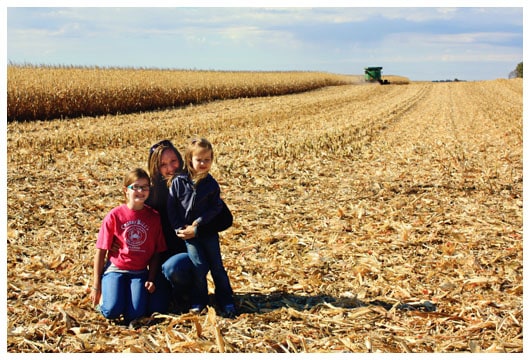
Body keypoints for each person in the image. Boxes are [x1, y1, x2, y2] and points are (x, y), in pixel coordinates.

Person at [145, 139, 233, 315]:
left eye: (173, 161)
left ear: (182, 158)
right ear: (155, 167)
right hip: (166, 258)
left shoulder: (196, 182)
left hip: (194, 247)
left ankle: (208, 296)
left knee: (190, 267)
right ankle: (182, 293)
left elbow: (225, 219)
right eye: (163, 165)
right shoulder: (152, 194)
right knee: (158, 306)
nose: (170, 168)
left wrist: (197, 229)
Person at [91, 168, 167, 324]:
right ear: (126, 190)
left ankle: (122, 295)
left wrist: (151, 278)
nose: (140, 191)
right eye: (136, 187)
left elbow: (156, 252)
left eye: (145, 187)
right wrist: (96, 286)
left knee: (135, 314)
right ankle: (108, 295)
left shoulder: (154, 217)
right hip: (116, 269)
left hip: (138, 272)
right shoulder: (114, 215)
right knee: (111, 311)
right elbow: (101, 251)